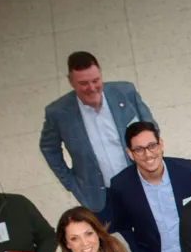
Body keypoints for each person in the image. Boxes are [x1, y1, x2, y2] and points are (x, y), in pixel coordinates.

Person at [40, 51, 156, 223]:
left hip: (141, 183)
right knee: (117, 245)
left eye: (96, 80)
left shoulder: (125, 92)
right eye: (83, 83)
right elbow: (49, 148)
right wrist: (71, 183)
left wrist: (150, 161)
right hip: (100, 197)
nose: (92, 88)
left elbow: (151, 129)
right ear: (71, 81)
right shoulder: (58, 112)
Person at [107, 121, 191, 252]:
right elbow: (122, 229)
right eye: (139, 149)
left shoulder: (186, 170)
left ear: (161, 144)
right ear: (130, 154)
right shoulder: (121, 186)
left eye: (152, 146)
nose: (148, 154)